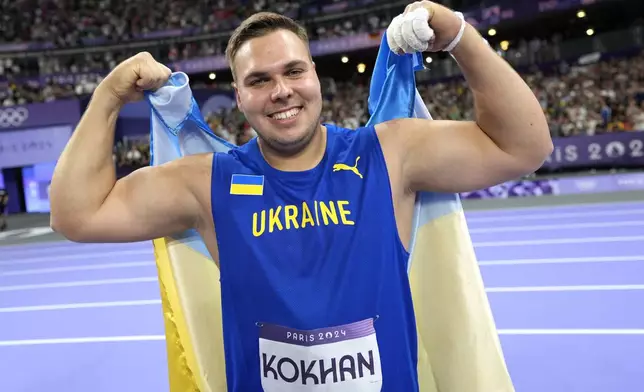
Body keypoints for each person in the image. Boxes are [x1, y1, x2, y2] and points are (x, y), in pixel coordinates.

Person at [50, 2, 553, 390]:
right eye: (259, 80)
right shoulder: (206, 183)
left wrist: (461, 37)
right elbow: (76, 214)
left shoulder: (389, 152)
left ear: (314, 75)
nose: (281, 91)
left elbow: (524, 146)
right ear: (240, 95)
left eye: (293, 71)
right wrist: (110, 95)